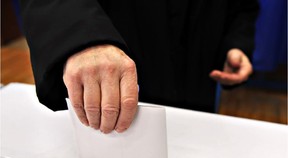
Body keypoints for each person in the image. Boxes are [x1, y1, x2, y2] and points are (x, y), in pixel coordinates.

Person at [19, 0, 259, 133]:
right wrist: (83, 37)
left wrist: (235, 44)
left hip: (197, 77)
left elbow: (244, 6)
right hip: (115, 69)